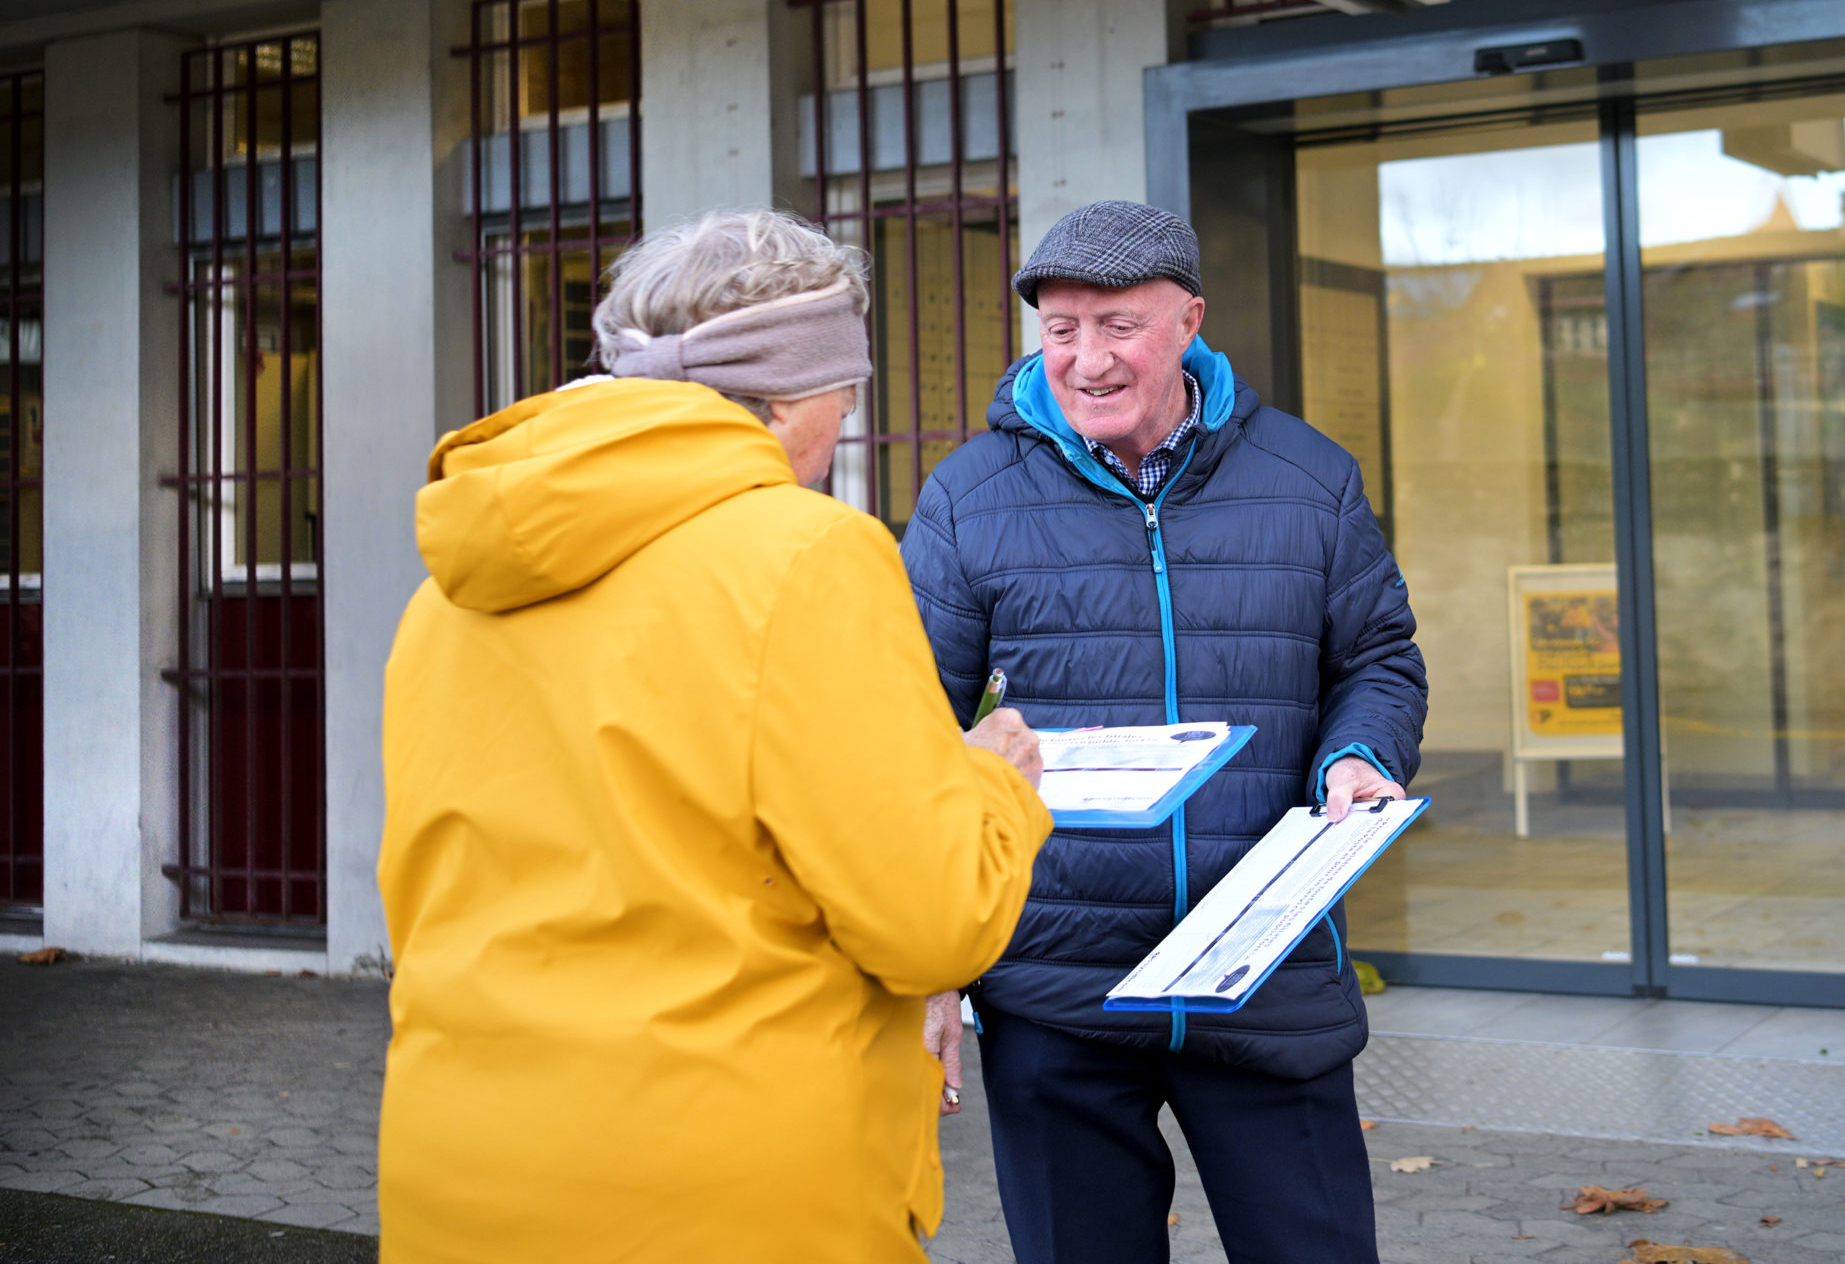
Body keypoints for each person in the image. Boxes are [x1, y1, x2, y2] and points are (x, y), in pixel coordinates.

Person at [376, 209, 1051, 1264]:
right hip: (724, 1190)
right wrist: (995, 782)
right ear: (782, 395)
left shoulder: (450, 588)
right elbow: (931, 921)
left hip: (455, 1167)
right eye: (844, 392)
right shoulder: (806, 553)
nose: (843, 425)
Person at [901, 199, 1427, 1264]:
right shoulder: (967, 496)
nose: (1085, 358)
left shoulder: (1307, 476)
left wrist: (1358, 757)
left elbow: (1375, 657)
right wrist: (932, 958)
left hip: (1264, 965)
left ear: (1189, 319)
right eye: (1059, 329)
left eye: (1117, 325)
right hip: (1053, 985)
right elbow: (908, 723)